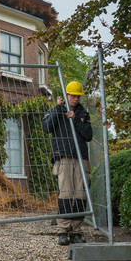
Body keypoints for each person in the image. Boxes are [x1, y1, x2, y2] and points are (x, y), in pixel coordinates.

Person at [41, 80, 93, 246]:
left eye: (78, 96)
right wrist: (58, 109)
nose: (76, 99)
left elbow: (88, 135)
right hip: (63, 157)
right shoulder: (54, 110)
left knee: (80, 195)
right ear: (66, 95)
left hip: (80, 159)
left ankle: (76, 231)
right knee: (65, 194)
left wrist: (76, 118)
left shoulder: (83, 114)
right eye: (73, 95)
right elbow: (46, 128)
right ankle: (62, 230)